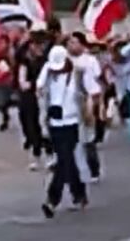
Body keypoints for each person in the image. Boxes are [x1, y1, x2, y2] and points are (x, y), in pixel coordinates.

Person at [37, 45, 87, 218]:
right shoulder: (48, 71)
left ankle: (52, 200)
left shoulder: (76, 74)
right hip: (55, 123)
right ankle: (79, 192)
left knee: (64, 159)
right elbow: (39, 87)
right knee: (66, 160)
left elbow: (87, 92)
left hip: (71, 122)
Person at [66, 33, 103, 183]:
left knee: (88, 139)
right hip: (68, 105)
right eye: (69, 43)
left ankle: (94, 169)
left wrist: (94, 106)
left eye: (75, 42)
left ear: (82, 44)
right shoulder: (64, 61)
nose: (71, 45)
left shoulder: (89, 61)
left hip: (84, 102)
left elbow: (94, 85)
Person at [16, 34, 50, 170]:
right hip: (28, 97)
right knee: (30, 125)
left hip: (43, 96)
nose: (39, 48)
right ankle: (35, 153)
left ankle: (48, 154)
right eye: (35, 45)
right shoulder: (25, 61)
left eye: (41, 45)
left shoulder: (46, 62)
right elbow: (22, 82)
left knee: (44, 127)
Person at [0, 35, 15, 132]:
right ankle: (6, 114)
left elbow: (13, 66)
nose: (1, 45)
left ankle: (5, 119)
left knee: (3, 100)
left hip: (6, 81)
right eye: (0, 43)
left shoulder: (9, 55)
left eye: (3, 43)